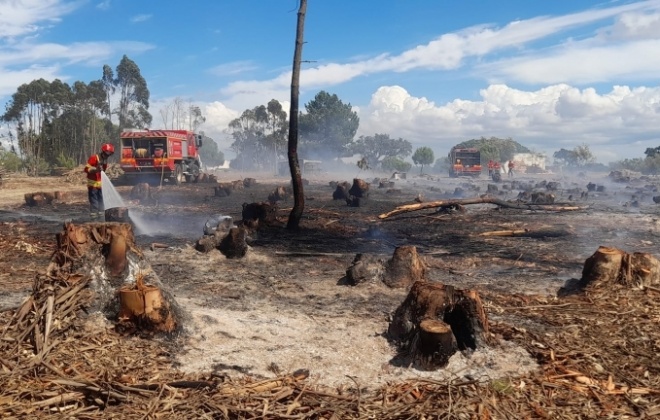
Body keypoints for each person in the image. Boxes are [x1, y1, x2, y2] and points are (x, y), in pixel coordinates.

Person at [84, 143, 115, 220]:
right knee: (94, 203)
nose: (108, 156)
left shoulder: (104, 161)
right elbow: (86, 169)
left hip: (100, 185)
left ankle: (101, 218)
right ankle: (94, 220)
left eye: (109, 154)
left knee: (101, 202)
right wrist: (95, 169)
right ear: (103, 152)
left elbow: (103, 171)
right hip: (93, 185)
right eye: (107, 153)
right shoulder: (94, 158)